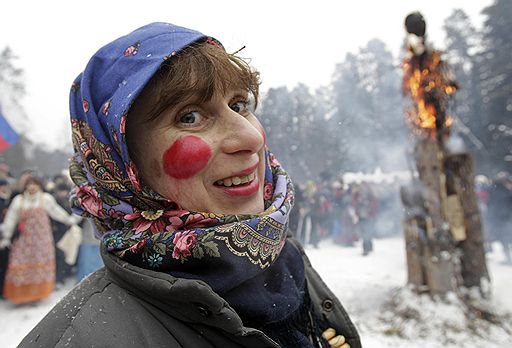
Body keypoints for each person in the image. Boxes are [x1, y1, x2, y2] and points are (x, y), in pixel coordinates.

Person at [18, 22, 360, 348]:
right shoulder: (80, 339)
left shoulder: (286, 257)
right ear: (122, 167)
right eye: (190, 117)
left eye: (240, 105)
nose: (251, 137)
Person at [0, 175, 80, 304]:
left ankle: (37, 295)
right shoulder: (19, 200)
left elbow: (57, 212)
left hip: (42, 240)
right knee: (20, 264)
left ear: (39, 185)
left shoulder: (45, 199)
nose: (31, 187)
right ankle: (21, 296)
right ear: (25, 186)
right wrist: (6, 237)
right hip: (23, 240)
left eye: (34, 184)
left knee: (40, 267)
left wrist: (70, 220)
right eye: (29, 184)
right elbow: (11, 219)